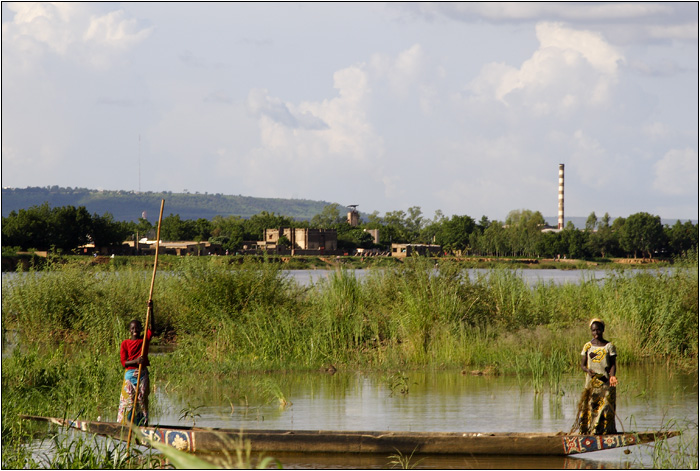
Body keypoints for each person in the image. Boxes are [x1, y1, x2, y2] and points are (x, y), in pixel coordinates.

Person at [117, 300, 155, 426]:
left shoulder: (144, 340)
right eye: (133, 328)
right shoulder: (125, 343)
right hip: (129, 374)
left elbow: (152, 328)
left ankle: (143, 423)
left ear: (141, 329)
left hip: (142, 373)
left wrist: (151, 309)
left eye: (138, 328)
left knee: (142, 398)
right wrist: (136, 361)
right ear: (129, 330)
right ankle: (125, 424)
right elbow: (124, 363)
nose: (135, 330)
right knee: (129, 399)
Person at [577, 318, 618, 435]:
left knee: (605, 406)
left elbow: (613, 364)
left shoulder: (609, 346)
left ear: (603, 330)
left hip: (605, 381)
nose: (596, 333)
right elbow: (582, 365)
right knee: (590, 405)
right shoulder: (588, 346)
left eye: (598, 330)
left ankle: (606, 431)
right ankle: (590, 430)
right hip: (591, 382)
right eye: (593, 330)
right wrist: (587, 370)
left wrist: (612, 377)